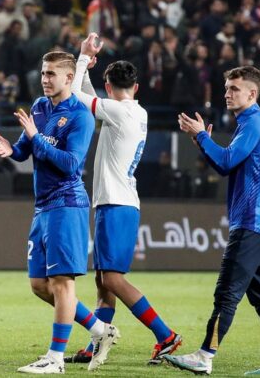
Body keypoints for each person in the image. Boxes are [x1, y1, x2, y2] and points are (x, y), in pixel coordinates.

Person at [165, 66, 260, 376]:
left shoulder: (253, 122)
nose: (226, 93)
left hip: (250, 220)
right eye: (226, 87)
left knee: (227, 291)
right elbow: (227, 163)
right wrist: (203, 143)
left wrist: (200, 138)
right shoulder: (251, 122)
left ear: (252, 93)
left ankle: (205, 355)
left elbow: (225, 162)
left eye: (234, 88)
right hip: (257, 220)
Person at [64, 33, 181, 368]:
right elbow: (87, 96)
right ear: (137, 87)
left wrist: (83, 56)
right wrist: (85, 69)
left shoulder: (119, 112)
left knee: (112, 279)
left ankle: (166, 335)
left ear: (109, 85)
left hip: (117, 204)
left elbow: (75, 96)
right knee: (103, 281)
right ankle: (96, 342)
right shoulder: (133, 111)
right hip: (116, 202)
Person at [0, 50, 97, 374]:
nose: (45, 79)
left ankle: (55, 358)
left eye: (51, 74)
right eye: (43, 73)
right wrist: (13, 149)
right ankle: (98, 329)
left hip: (67, 202)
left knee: (62, 284)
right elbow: (26, 148)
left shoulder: (80, 116)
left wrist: (37, 138)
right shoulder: (39, 106)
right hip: (44, 205)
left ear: (68, 77)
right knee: (39, 284)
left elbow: (71, 164)